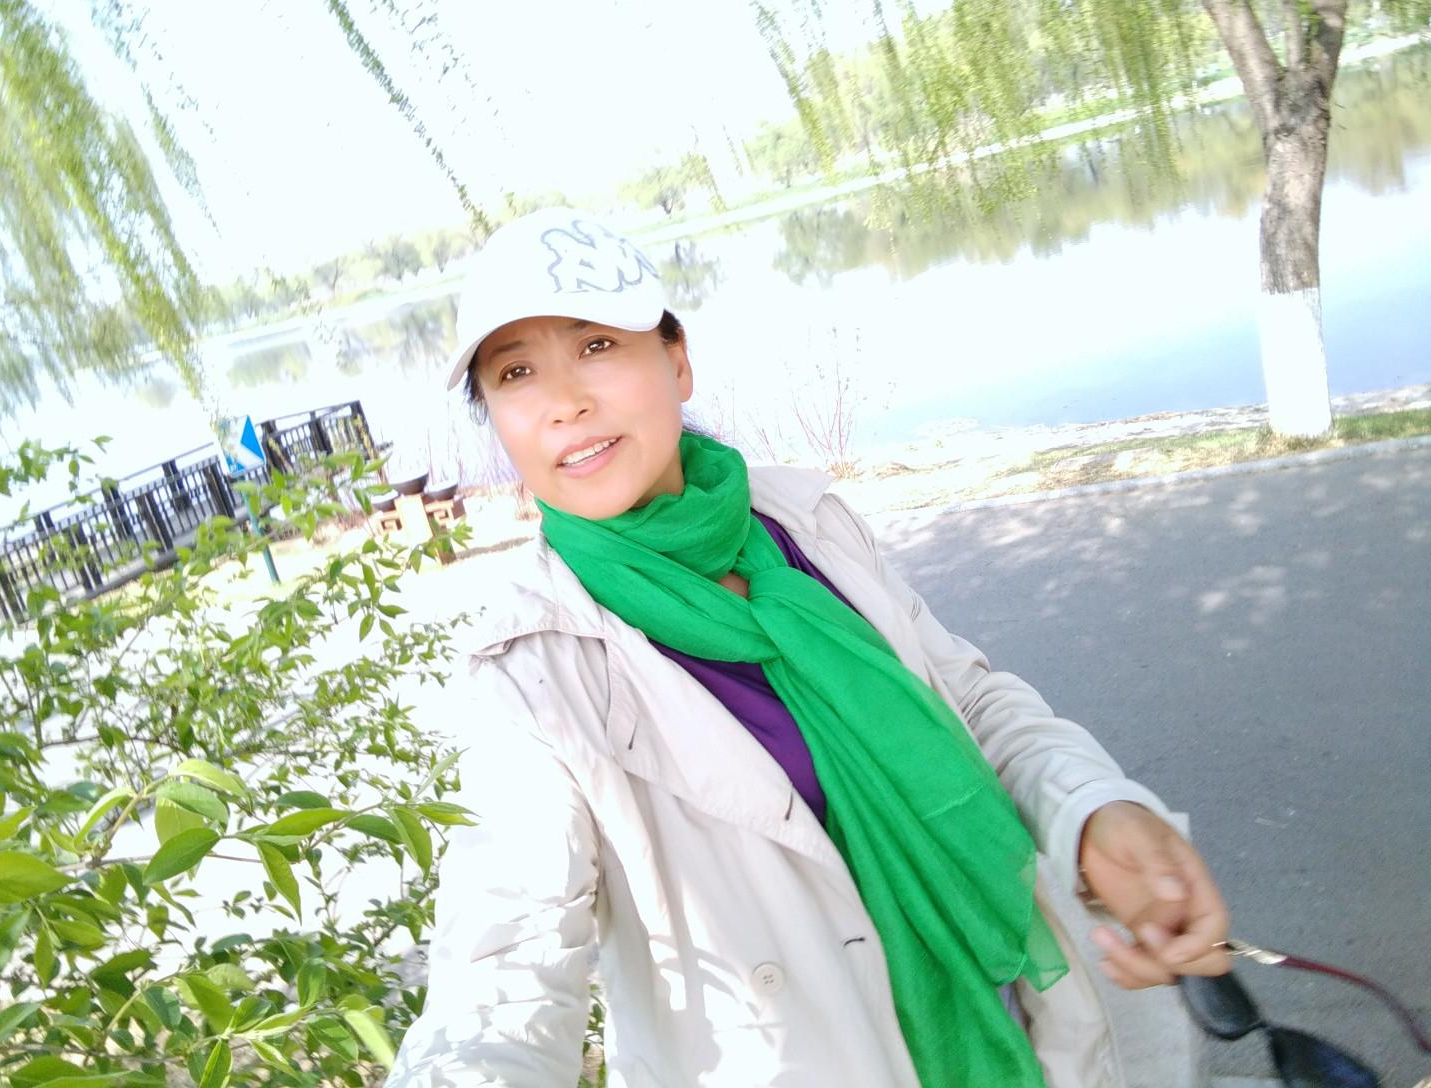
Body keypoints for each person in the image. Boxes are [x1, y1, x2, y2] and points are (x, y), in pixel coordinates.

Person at [386, 208, 1232, 1088]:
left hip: (1018, 1027)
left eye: (596, 345)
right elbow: (504, 969)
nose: (564, 401)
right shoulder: (531, 670)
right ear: (498, 420)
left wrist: (1092, 808)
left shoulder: (803, 526)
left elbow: (965, 703)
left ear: (677, 361)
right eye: (516, 372)